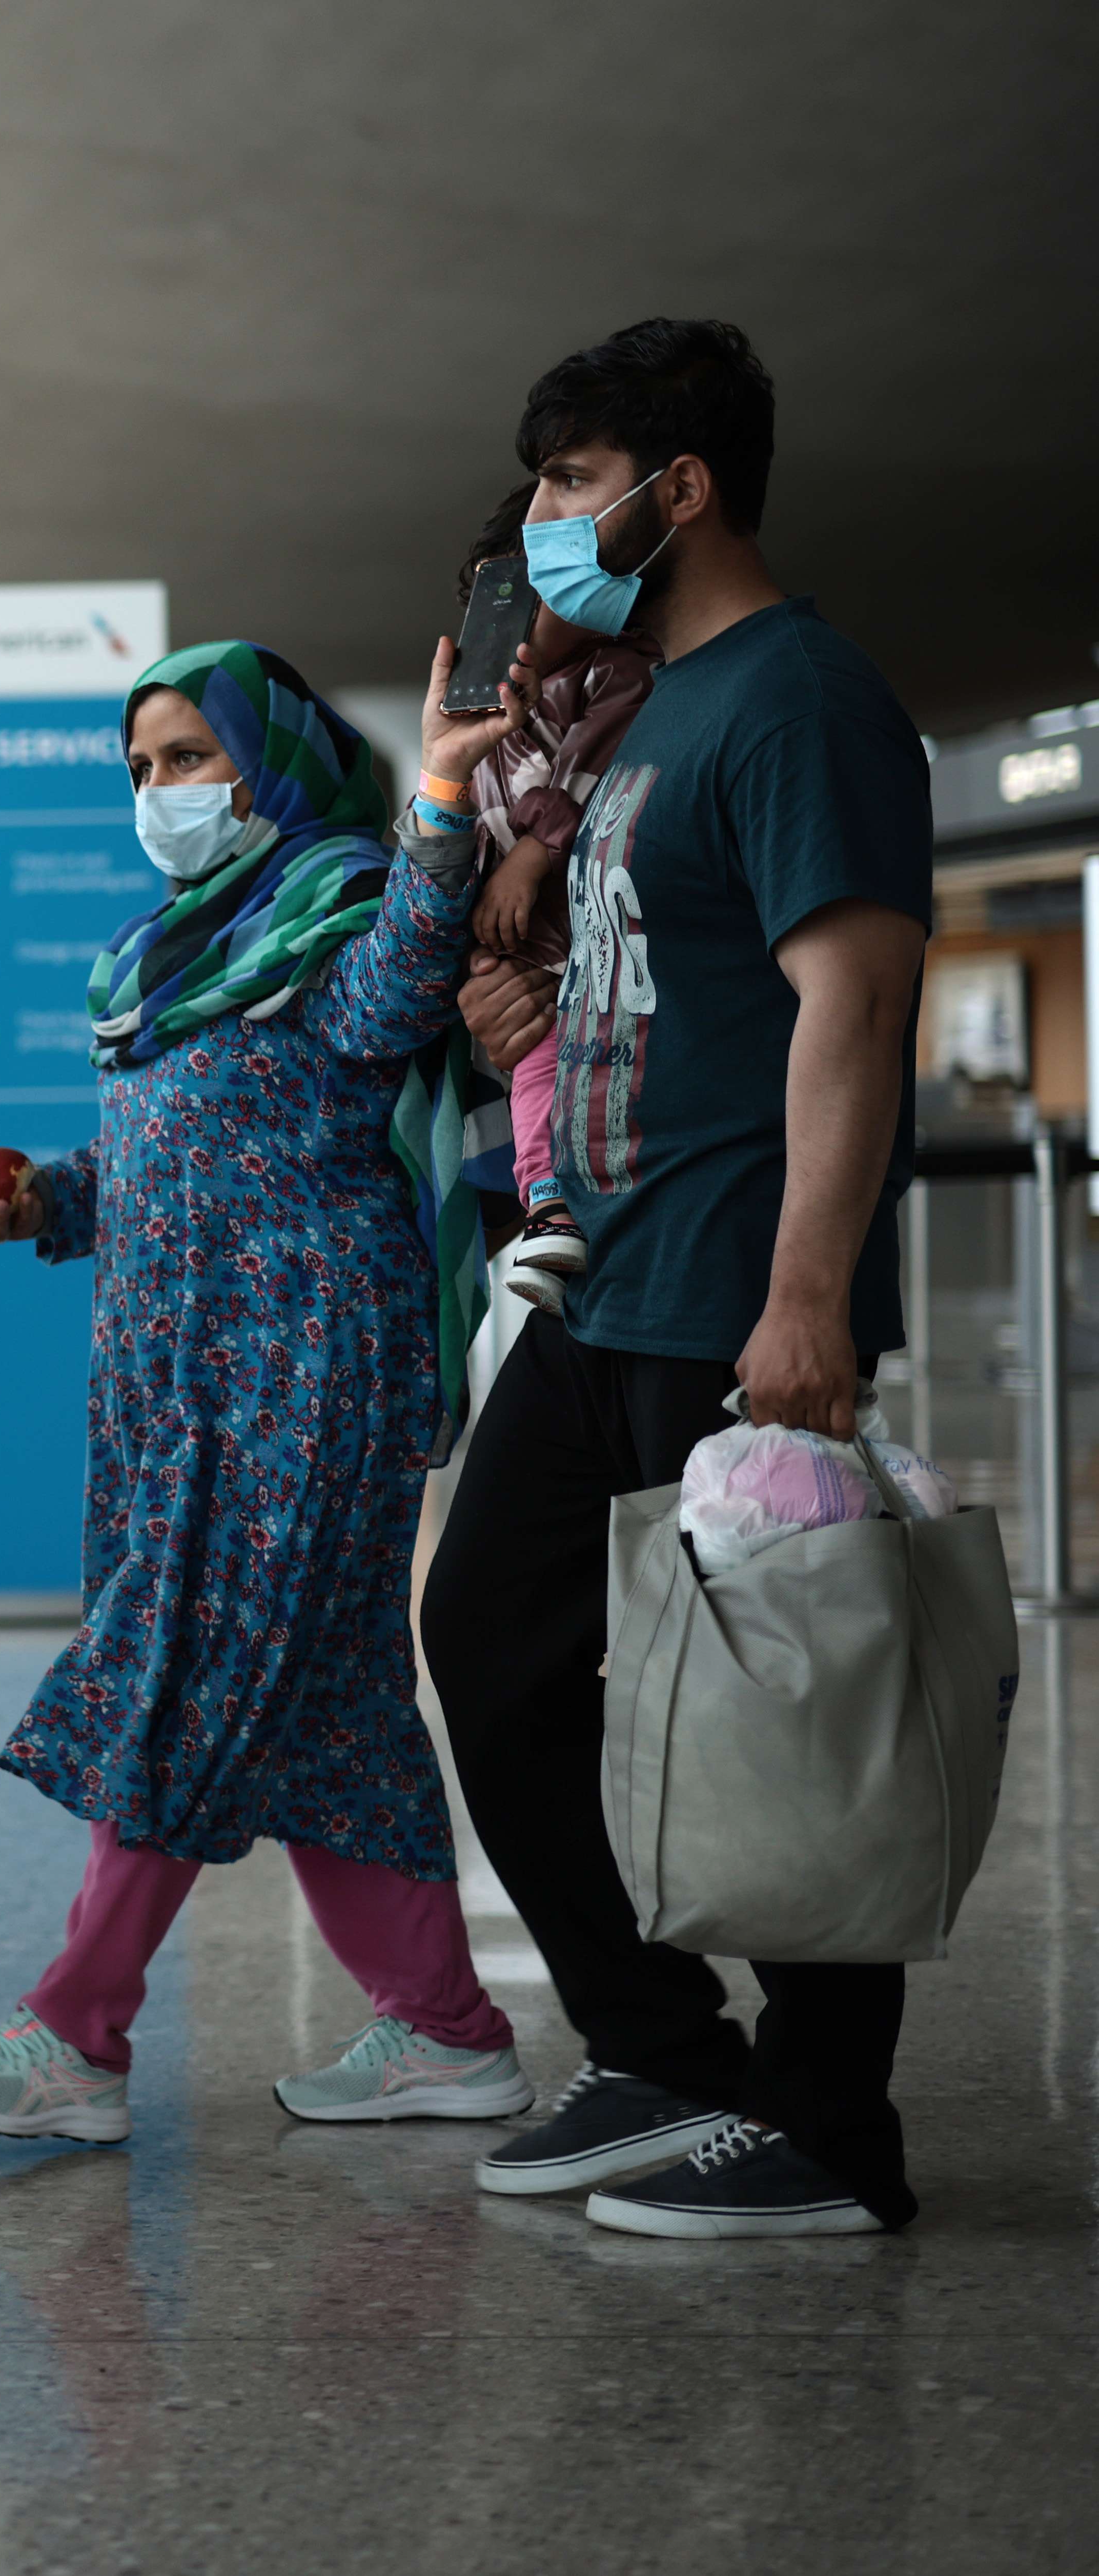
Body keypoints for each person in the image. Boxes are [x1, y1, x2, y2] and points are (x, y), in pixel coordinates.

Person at [422, 319, 933, 2239]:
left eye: (566, 482)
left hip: (733, 1284)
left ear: (677, 485)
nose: (544, 521)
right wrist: (519, 1015)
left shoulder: (799, 695)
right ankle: (660, 2042)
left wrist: (806, 1290)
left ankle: (824, 2125)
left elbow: (852, 996)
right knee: (484, 1638)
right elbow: (663, 981)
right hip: (601, 1277)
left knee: (764, 1703)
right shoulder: (665, 711)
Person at [0, 637, 531, 2147]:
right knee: (335, 1716)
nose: (161, 790)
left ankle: (72, 2033)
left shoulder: (348, 901)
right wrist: (45, 1198)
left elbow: (389, 1009)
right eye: (141, 767)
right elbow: (170, 1163)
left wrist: (440, 792)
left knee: (186, 1664)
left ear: (274, 756)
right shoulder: (163, 949)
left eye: (189, 755)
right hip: (175, 1372)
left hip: (302, 1367)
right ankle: (446, 2033)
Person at [447, 484, 661, 1316]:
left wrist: (531, 852)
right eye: (486, 605)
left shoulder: (617, 675)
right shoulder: (491, 717)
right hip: (527, 966)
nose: (504, 626)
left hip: (594, 966)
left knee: (569, 1075)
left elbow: (585, 776)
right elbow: (446, 833)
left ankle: (554, 1205)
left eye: (525, 595)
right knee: (535, 1075)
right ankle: (546, 1206)